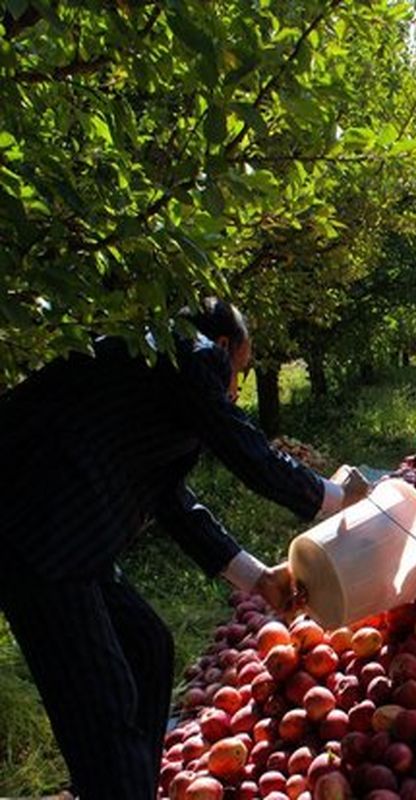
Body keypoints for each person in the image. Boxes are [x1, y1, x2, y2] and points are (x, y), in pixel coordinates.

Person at [0, 298, 368, 799]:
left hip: (61, 535)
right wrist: (335, 497)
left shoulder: (150, 378)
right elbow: (247, 452)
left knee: (147, 647)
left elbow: (171, 500)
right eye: (241, 369)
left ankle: (131, 784)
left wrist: (259, 577)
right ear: (223, 346)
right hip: (40, 538)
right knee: (104, 711)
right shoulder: (189, 352)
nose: (235, 389)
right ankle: (118, 783)